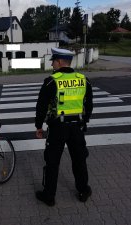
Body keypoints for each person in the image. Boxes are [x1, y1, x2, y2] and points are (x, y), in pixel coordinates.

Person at [35, 47, 93, 206]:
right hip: (77, 128)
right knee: (79, 160)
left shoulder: (51, 81)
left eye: (53, 61)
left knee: (52, 162)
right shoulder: (83, 79)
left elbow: (41, 107)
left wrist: (38, 126)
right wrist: (84, 121)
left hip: (57, 128)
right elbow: (89, 105)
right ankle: (83, 191)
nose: (52, 64)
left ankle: (49, 196)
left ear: (60, 62)